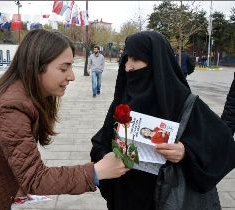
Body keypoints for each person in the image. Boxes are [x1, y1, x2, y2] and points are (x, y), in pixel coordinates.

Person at [0, 30, 129, 210]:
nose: (71, 76)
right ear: (37, 67)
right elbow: (35, 178)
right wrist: (95, 172)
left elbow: (17, 158)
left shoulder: (24, 94)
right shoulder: (11, 107)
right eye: (64, 68)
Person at [90, 31, 235, 210]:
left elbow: (223, 144)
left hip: (169, 199)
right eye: (126, 59)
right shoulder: (122, 101)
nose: (128, 67)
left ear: (156, 63)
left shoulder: (184, 103)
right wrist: (109, 159)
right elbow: (100, 143)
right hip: (126, 197)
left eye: (135, 59)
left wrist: (185, 152)